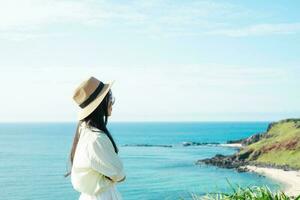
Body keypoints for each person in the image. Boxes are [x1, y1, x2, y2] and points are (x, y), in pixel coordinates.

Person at [65, 76, 126, 200]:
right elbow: (119, 174)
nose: (112, 102)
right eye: (110, 98)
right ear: (101, 103)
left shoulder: (84, 131)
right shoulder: (96, 138)